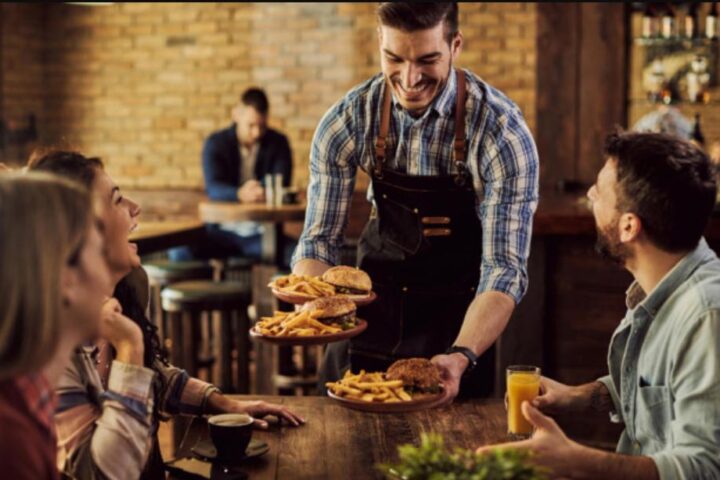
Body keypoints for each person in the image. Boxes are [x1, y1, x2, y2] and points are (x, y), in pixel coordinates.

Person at [292, 2, 539, 401]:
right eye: (394, 58)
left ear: (455, 45)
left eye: (427, 60)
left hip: (458, 330)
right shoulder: (349, 120)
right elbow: (318, 243)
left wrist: (461, 355)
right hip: (367, 323)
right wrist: (321, 311)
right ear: (379, 43)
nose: (409, 78)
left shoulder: (500, 132)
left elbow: (504, 271)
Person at [29, 151, 305, 479]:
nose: (135, 208)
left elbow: (152, 375)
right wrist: (130, 347)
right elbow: (100, 474)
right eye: (117, 199)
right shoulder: (47, 346)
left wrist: (224, 404)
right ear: (82, 229)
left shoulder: (127, 290)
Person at [479, 131, 720, 479]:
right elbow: (659, 393)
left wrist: (576, 460)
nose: (590, 195)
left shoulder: (706, 317)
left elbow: (704, 469)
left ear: (628, 226)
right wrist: (580, 396)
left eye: (600, 191)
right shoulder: (661, 284)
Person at [0, 173, 111, 479]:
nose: (106, 276)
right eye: (99, 252)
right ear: (66, 278)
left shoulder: (28, 398)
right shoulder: (10, 442)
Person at [169, 87, 295, 264]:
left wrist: (260, 190)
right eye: (251, 125)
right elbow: (214, 187)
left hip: (263, 234)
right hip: (221, 233)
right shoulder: (215, 143)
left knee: (300, 256)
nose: (257, 133)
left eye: (262, 126)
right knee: (179, 252)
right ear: (236, 115)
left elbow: (281, 182)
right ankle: (210, 291)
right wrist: (240, 194)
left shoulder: (279, 142)